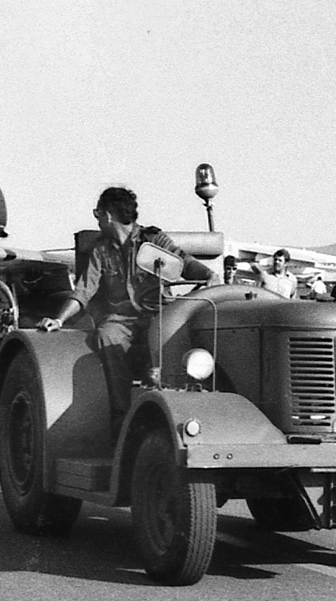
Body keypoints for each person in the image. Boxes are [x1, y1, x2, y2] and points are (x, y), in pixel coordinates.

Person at [38, 186, 218, 437]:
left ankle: (178, 419)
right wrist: (59, 319)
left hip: (159, 314)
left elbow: (184, 263)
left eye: (97, 214)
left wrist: (208, 275)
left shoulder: (154, 240)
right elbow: (83, 290)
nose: (98, 220)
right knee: (107, 336)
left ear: (108, 215)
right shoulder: (101, 250)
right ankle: (122, 420)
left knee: (177, 338)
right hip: (121, 321)